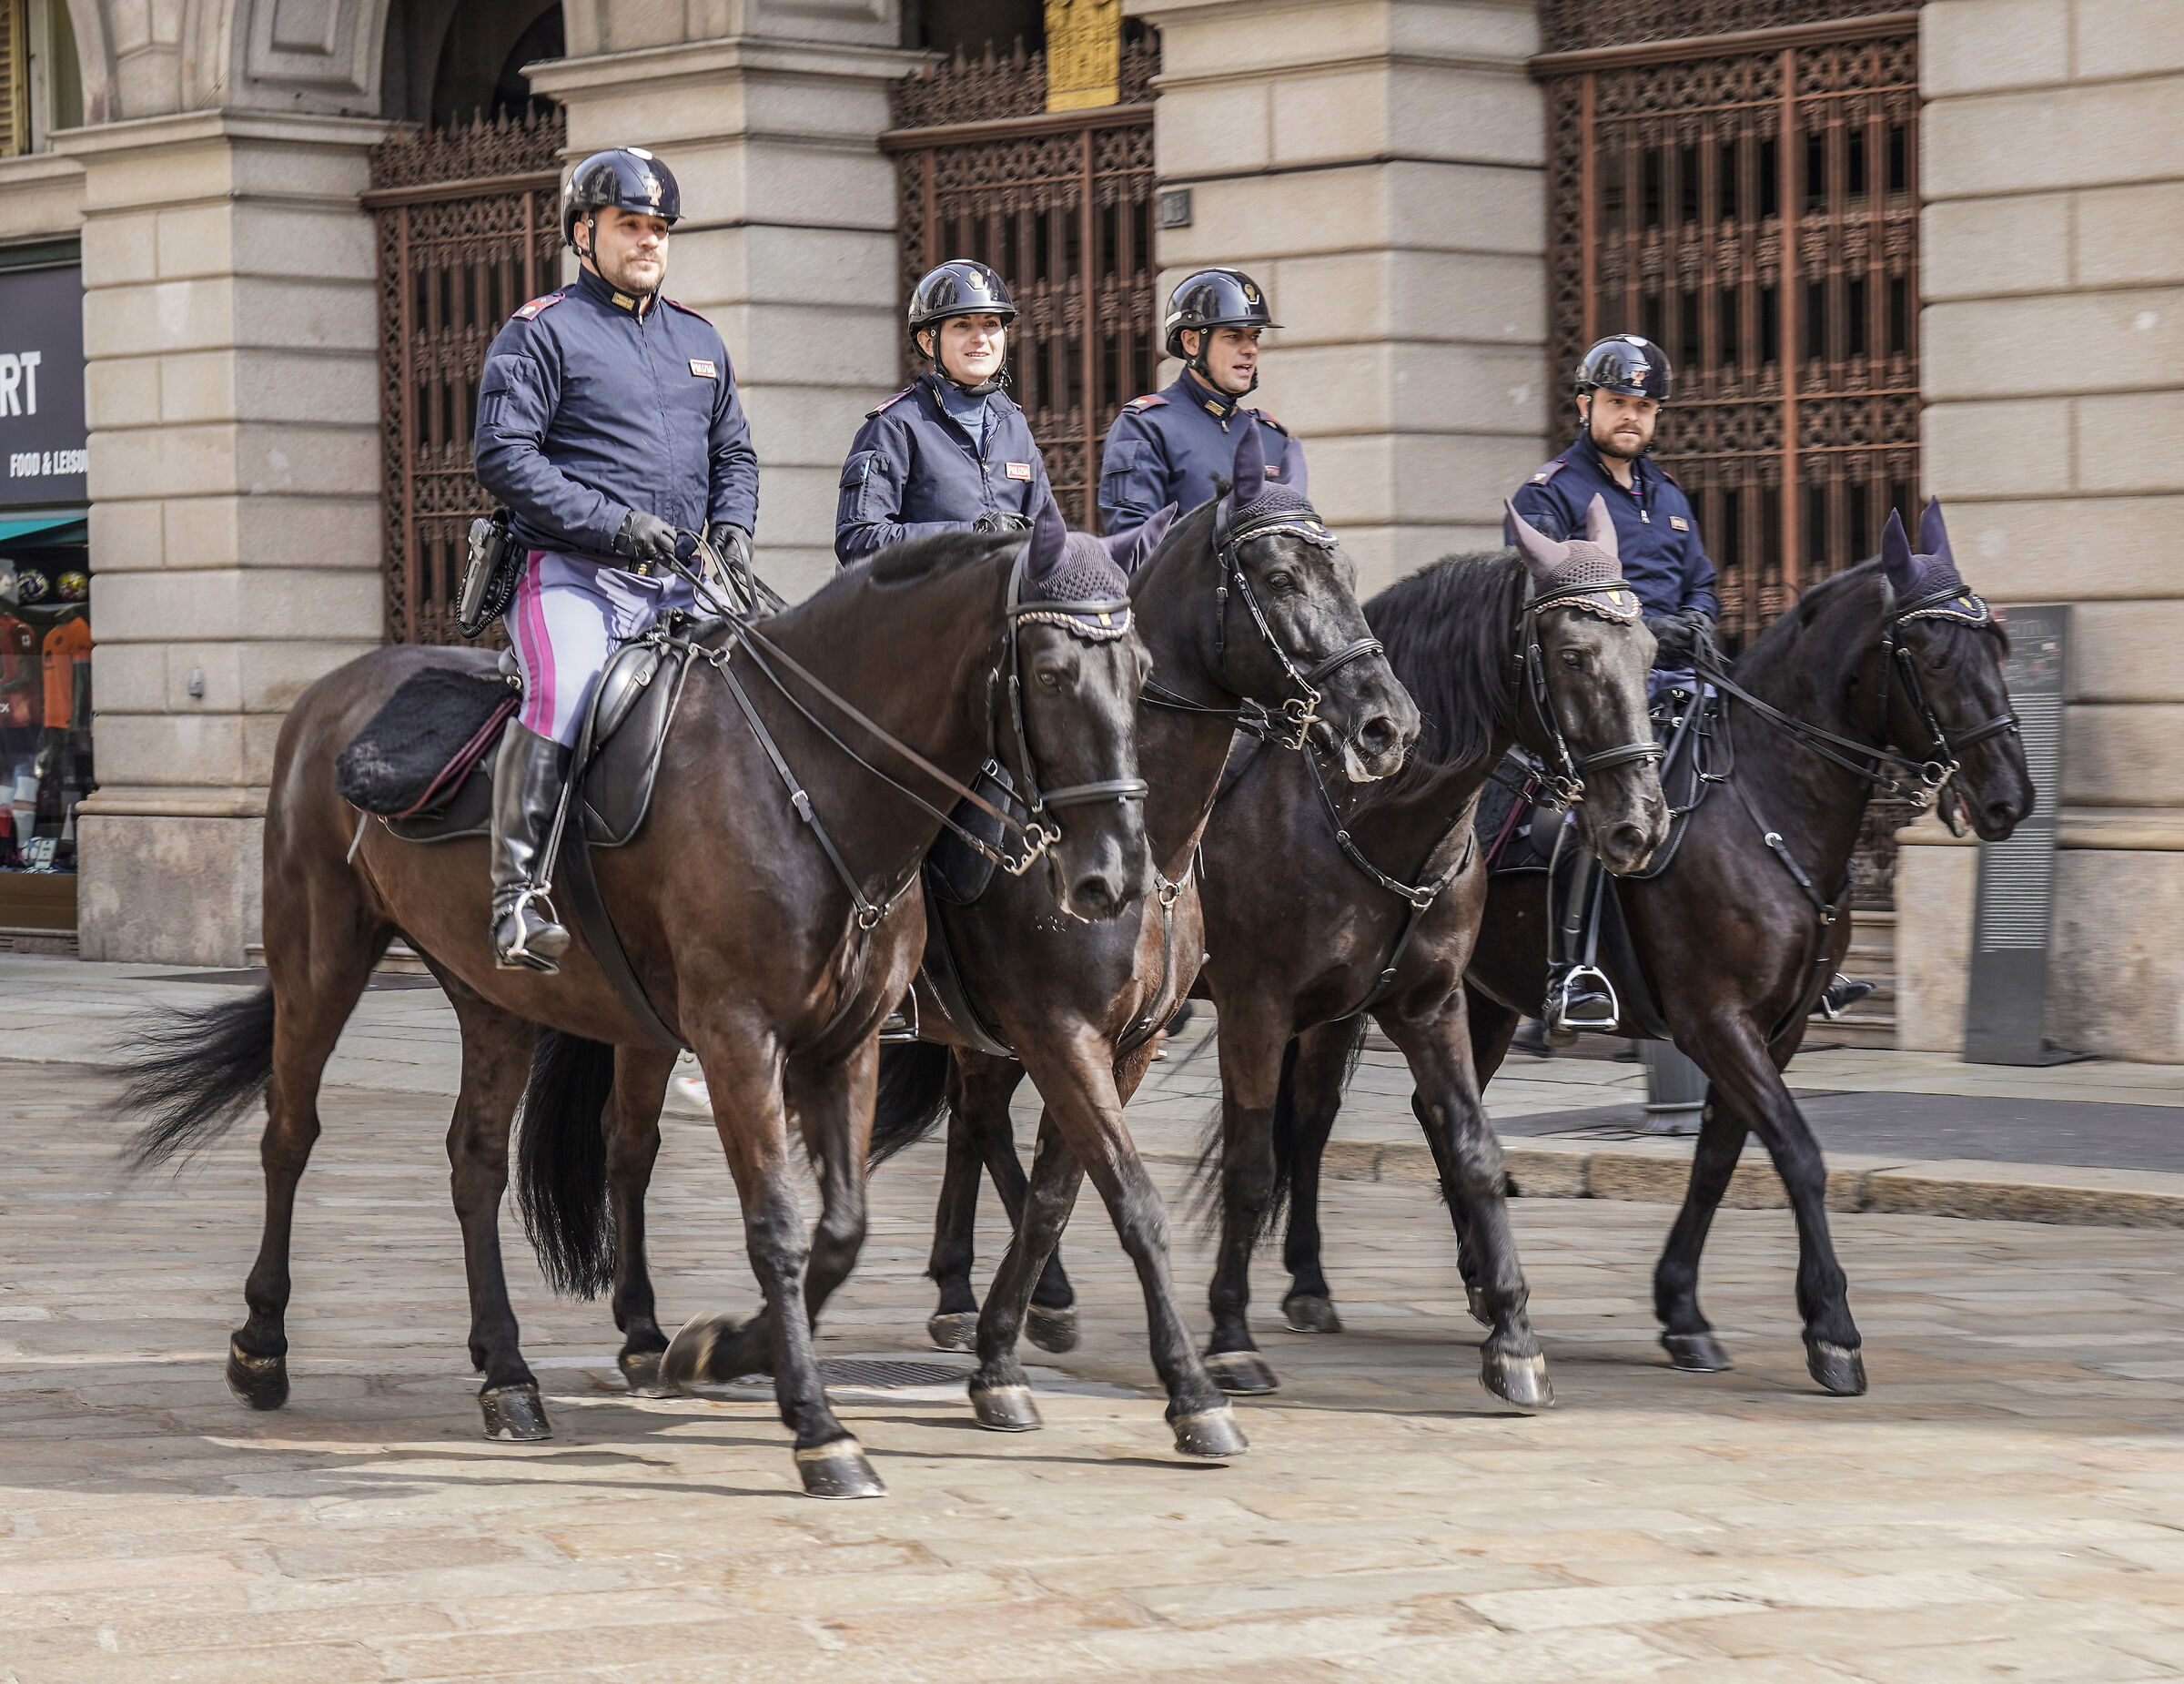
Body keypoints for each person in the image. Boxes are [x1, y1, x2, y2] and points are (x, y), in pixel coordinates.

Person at [1508, 334, 1865, 1044]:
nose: (1631, 417)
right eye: (1617, 403)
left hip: (1681, 685)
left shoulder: (1667, 494)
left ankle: (1809, 958)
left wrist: (1698, 617)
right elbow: (1542, 598)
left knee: (1784, 782)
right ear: (1586, 405)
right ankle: (1574, 971)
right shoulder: (1549, 494)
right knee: (1592, 815)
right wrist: (1651, 629)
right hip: (1596, 696)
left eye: (1644, 406)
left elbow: (1700, 576)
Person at [474, 146, 759, 972]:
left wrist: (734, 527)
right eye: (630, 225)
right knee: (564, 695)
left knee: (773, 696)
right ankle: (518, 900)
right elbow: (505, 457)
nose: (648, 242)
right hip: (572, 575)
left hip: (690, 580)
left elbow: (734, 454)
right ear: (582, 233)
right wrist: (615, 525)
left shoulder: (700, 339)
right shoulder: (541, 332)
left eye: (659, 229)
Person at [835, 260, 1048, 565]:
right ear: (927, 341)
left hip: (1007, 608)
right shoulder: (895, 426)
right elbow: (858, 540)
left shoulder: (1013, 425)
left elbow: (1050, 534)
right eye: (962, 325)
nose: (980, 338)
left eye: (991, 324)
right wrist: (969, 537)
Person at [1097, 267, 1305, 531]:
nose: (1250, 349)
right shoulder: (1147, 428)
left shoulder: (1271, 437)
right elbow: (1134, 548)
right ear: (1192, 342)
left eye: (1254, 337)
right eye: (1233, 336)